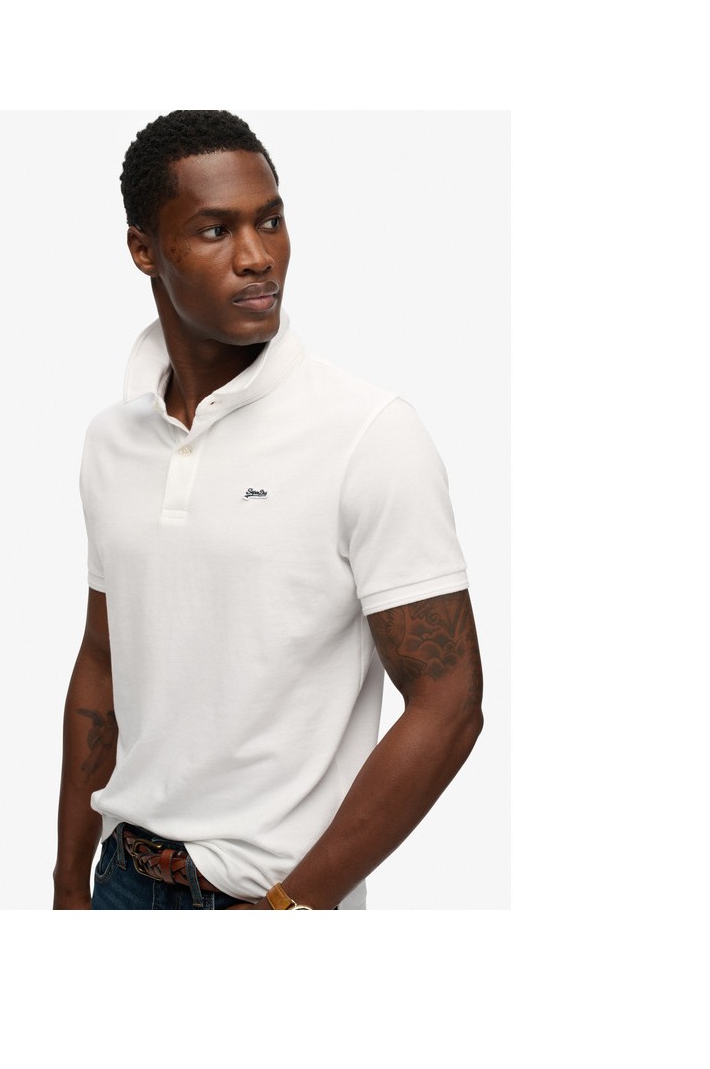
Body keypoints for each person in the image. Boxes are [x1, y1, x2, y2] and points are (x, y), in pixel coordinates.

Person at [53, 110, 483, 911]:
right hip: (122, 882)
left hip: (271, 897)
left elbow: (450, 704)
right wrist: (68, 883)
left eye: (271, 221)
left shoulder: (368, 433)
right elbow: (104, 661)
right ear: (144, 250)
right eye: (216, 230)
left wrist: (293, 906)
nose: (257, 257)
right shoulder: (112, 443)